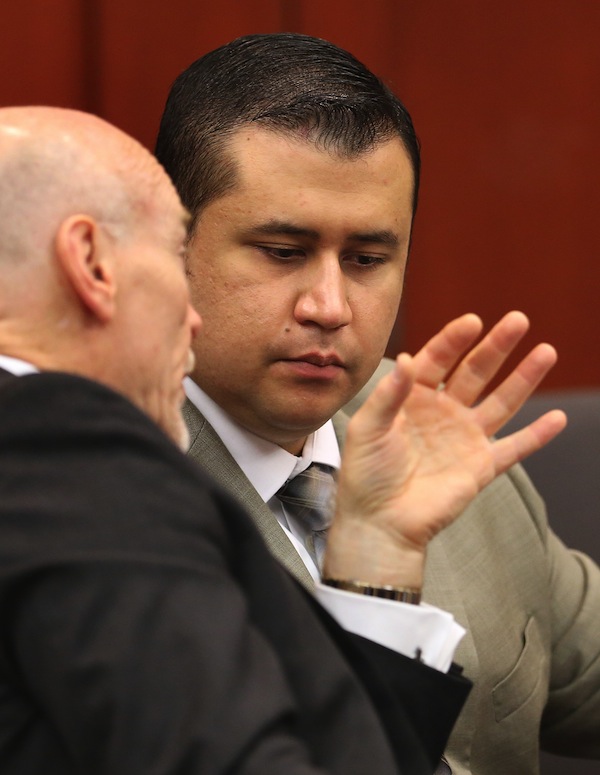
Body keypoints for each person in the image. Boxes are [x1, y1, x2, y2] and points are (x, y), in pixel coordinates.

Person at [1, 106, 561, 774]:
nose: (191, 315)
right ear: (91, 262)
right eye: (173, 253)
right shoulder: (63, 450)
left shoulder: (421, 425)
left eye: (367, 258)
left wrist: (375, 560)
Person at [154, 33, 600, 775]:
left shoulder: (430, 426)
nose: (330, 305)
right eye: (282, 250)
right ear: (171, 243)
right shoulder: (96, 501)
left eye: (367, 259)